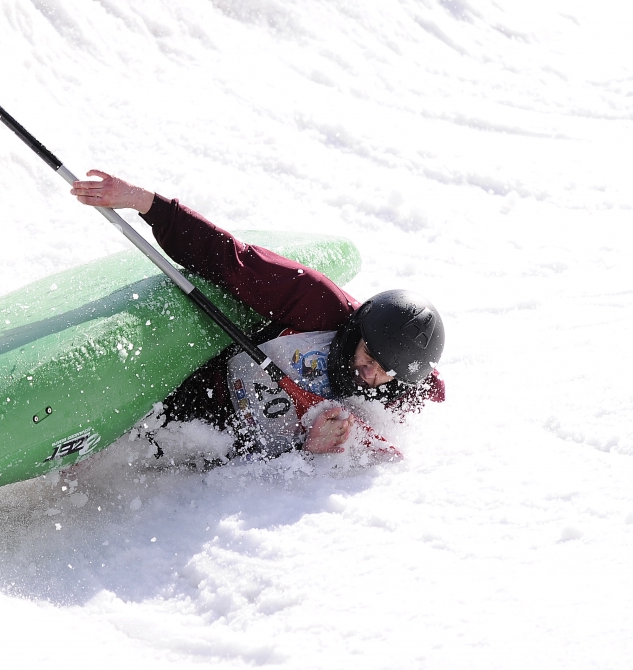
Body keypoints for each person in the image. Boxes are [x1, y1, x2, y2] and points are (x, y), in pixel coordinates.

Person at [71, 170, 445, 459]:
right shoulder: (317, 303)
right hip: (205, 399)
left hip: (240, 449)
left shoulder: (394, 383)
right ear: (360, 328)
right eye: (370, 356)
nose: (371, 374)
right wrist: (147, 203)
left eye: (385, 372)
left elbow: (430, 389)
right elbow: (231, 260)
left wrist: (309, 449)